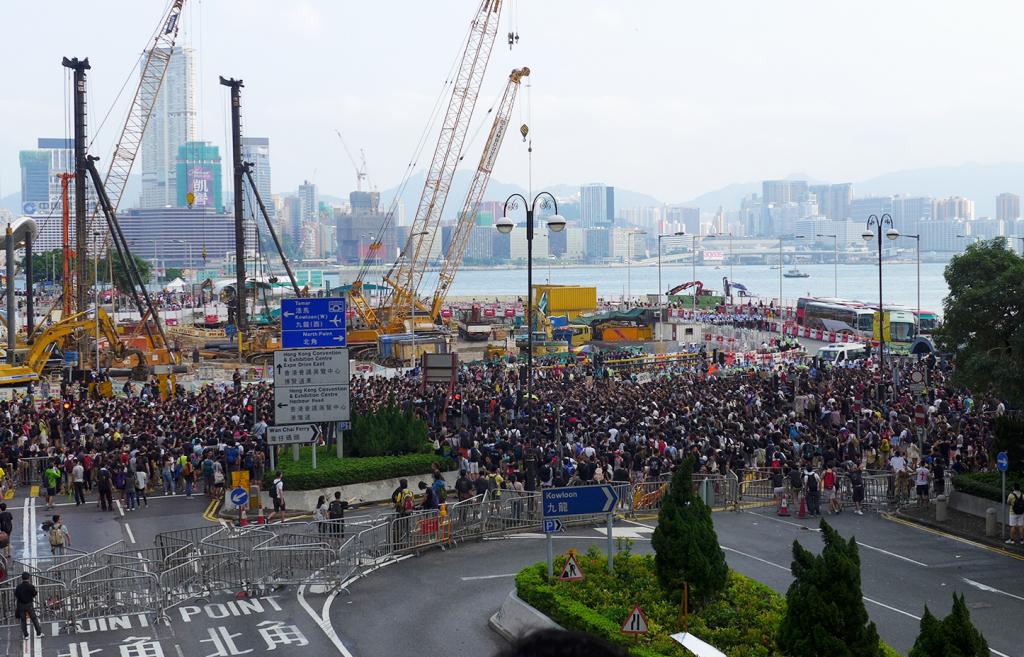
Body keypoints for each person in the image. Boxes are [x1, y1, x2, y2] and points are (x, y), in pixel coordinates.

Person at [14, 572, 43, 639]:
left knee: (23, 620)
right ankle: (38, 633)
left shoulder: (18, 587)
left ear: (22, 578)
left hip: (21, 605)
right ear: (28, 578)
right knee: (34, 619)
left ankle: (26, 635)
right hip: (29, 604)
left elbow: (16, 594)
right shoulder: (30, 586)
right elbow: (34, 593)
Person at [1008, 482, 1024, 546]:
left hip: (1013, 513)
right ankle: (1022, 540)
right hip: (1021, 513)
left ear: (1014, 487)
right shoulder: (1022, 495)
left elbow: (1008, 502)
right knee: (1021, 526)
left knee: (1013, 526)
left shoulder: (1011, 495)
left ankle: (1012, 540)